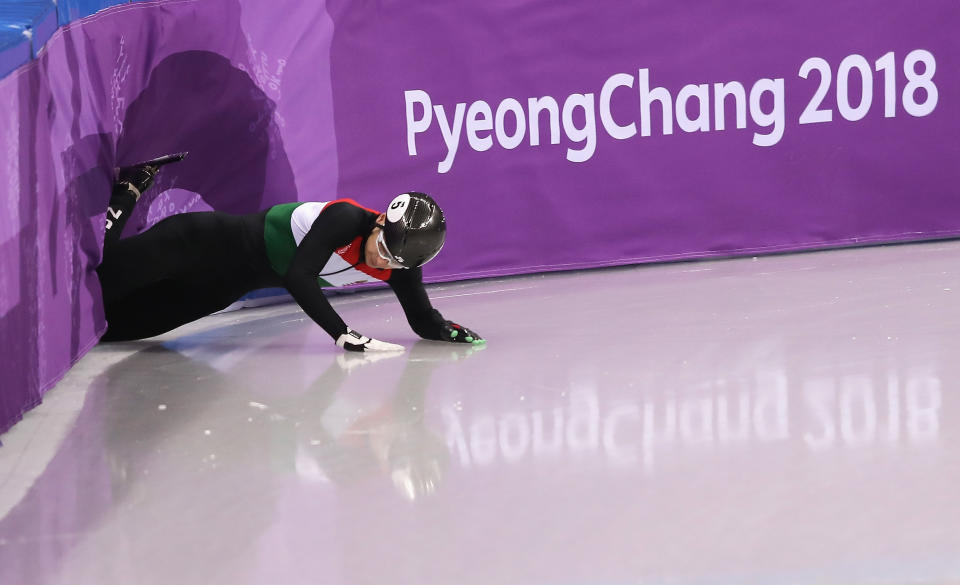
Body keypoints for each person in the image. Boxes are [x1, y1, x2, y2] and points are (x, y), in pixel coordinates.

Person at [98, 159, 484, 351]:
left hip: (220, 289)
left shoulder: (399, 268)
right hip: (198, 242)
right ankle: (130, 189)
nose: (383, 262)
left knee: (110, 331)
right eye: (382, 247)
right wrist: (342, 334)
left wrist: (445, 330)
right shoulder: (346, 218)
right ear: (381, 220)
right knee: (94, 287)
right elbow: (299, 276)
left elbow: (421, 320)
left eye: (395, 262)